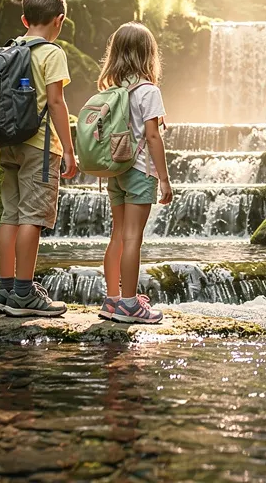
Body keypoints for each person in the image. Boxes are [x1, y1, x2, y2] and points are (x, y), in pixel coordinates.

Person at [0, 0, 78, 317]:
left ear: (25, 20)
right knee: (32, 218)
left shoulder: (10, 49)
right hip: (39, 147)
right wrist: (68, 149)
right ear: (60, 20)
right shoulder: (52, 53)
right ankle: (25, 295)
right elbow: (55, 102)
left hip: (10, 142)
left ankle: (5, 289)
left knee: (10, 215)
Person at [96, 22, 174, 324]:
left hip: (115, 170)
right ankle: (130, 304)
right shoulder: (148, 91)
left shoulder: (112, 91)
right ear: (148, 55)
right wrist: (164, 178)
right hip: (140, 171)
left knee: (117, 235)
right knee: (132, 238)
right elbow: (153, 136)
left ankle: (112, 299)